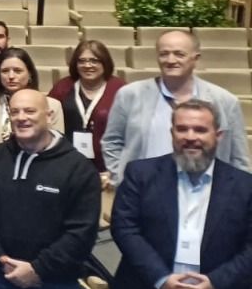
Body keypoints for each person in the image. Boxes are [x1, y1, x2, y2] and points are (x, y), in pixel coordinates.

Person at [111, 99, 252, 289]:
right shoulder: (140, 174)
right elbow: (125, 229)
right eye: (182, 129)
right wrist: (161, 278)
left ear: (219, 135)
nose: (190, 137)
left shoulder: (246, 186)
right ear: (172, 133)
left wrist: (218, 283)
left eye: (200, 130)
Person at [0, 89, 101, 289]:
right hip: (3, 278)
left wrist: (38, 269)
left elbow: (82, 232)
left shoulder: (78, 168)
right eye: (15, 112)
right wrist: (0, 257)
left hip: (57, 284)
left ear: (49, 116)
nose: (21, 117)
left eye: (30, 111)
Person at [103, 29, 249, 185]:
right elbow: (112, 141)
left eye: (179, 54)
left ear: (195, 58)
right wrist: (122, 178)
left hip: (206, 193)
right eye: (164, 54)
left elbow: (238, 158)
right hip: (144, 190)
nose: (170, 60)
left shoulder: (225, 101)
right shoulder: (130, 95)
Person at [48, 40, 123, 176]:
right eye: (82, 61)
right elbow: (47, 122)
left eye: (94, 60)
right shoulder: (62, 87)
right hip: (67, 165)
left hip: (107, 168)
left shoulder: (120, 89)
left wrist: (116, 169)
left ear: (105, 62)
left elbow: (130, 132)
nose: (87, 65)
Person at [0, 48, 66, 148]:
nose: (11, 76)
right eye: (5, 71)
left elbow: (56, 146)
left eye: (17, 71)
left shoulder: (52, 105)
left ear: (29, 74)